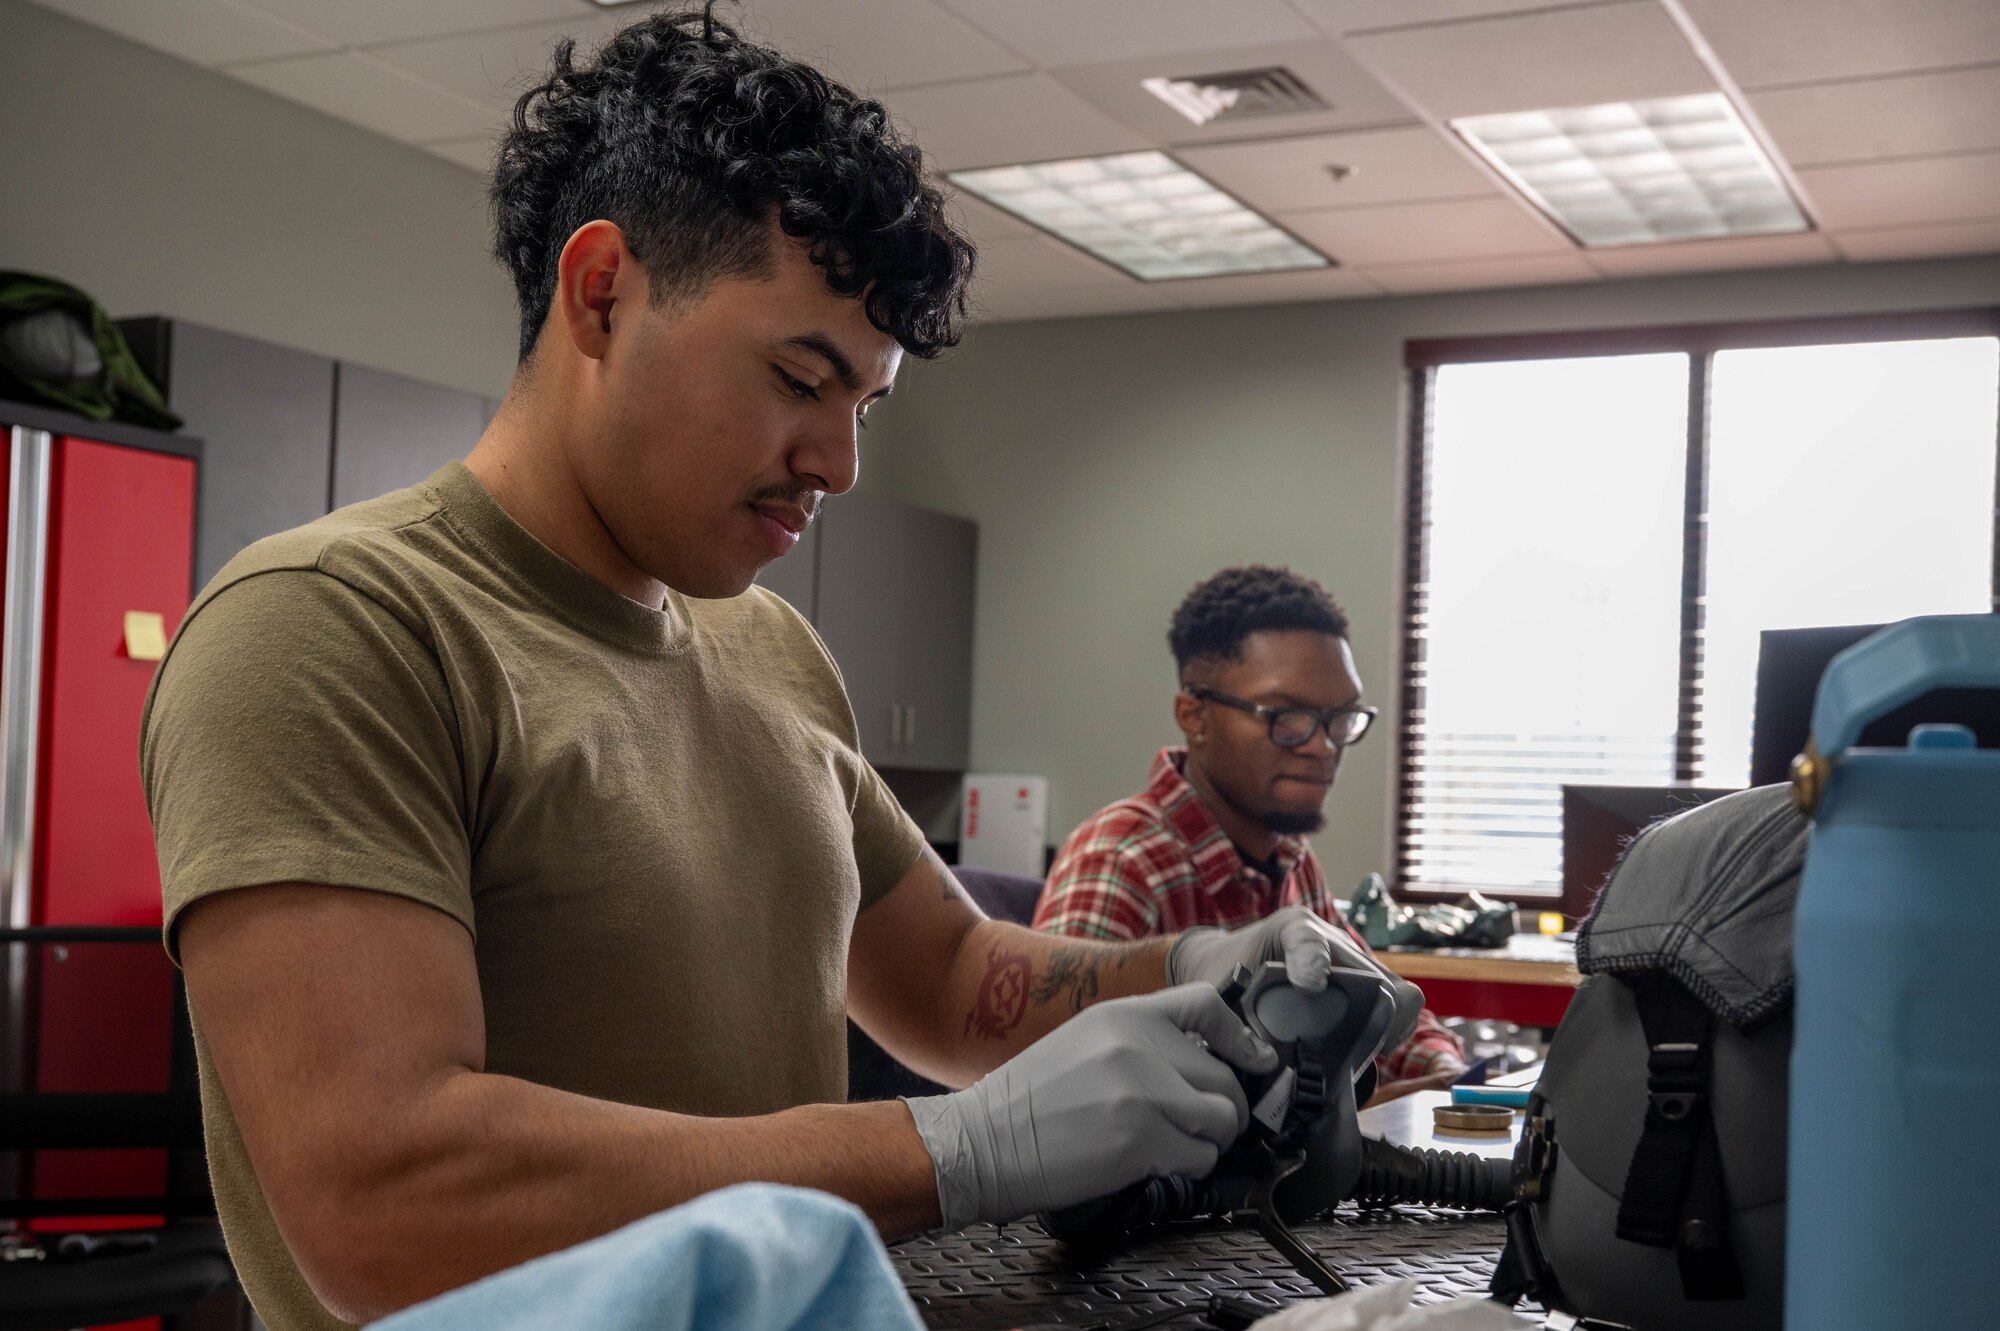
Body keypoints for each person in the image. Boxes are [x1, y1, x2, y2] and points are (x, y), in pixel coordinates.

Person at [140, 11, 1388, 1329]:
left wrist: (1199, 961)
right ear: (603, 292)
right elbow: (387, 1203)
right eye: (801, 377)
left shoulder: (768, 645)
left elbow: (957, 984)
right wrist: (951, 1151)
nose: (839, 464)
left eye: (864, 405)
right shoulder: (335, 628)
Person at [1035, 566, 1467, 1100]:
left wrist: (1455, 1078)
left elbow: (1382, 1006)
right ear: (1195, 717)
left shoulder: (1290, 858)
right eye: (1287, 716)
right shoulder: (1120, 861)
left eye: (1340, 718)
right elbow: (1052, 1084)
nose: (1322, 746)